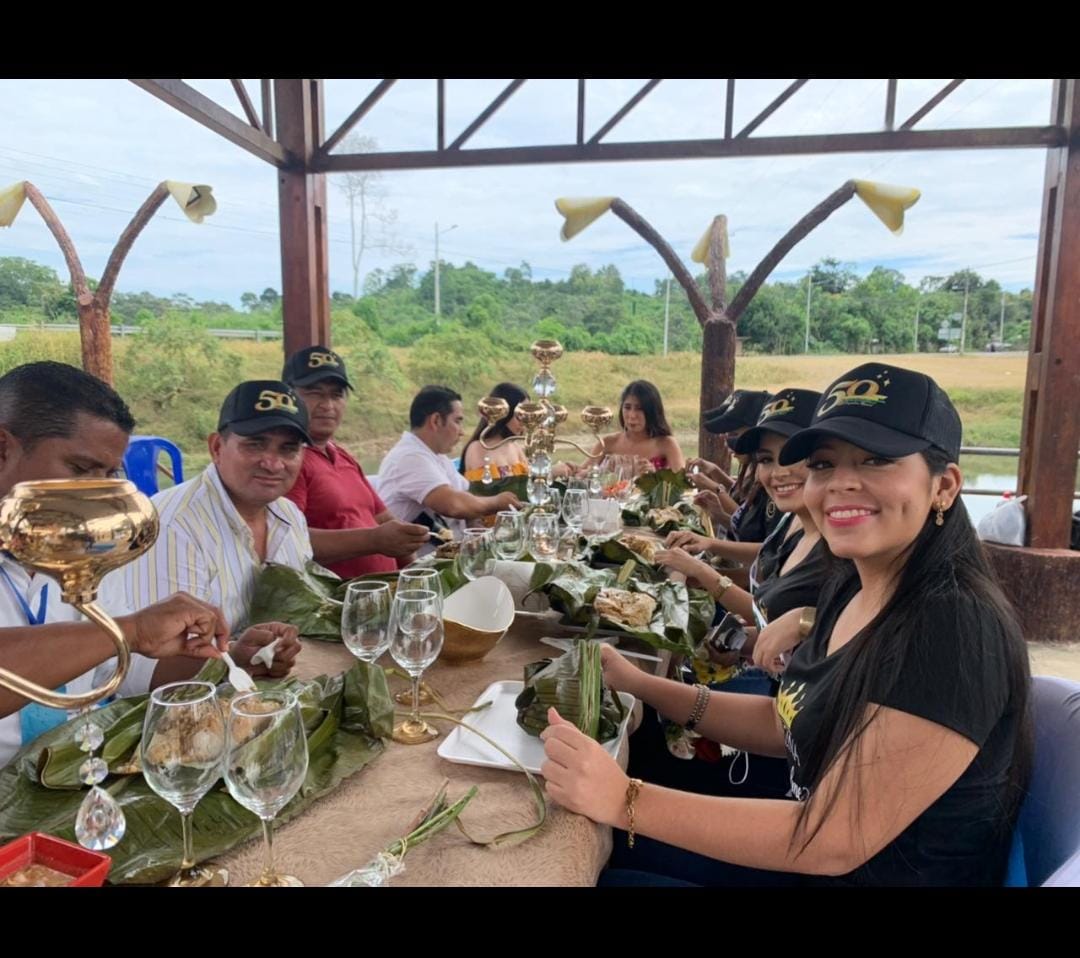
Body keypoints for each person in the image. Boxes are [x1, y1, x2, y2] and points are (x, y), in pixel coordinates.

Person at [543, 363, 1031, 886]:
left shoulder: (954, 627)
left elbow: (834, 839)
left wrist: (623, 798)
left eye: (876, 459)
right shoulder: (852, 584)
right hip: (802, 853)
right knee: (598, 839)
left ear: (945, 485)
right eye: (823, 464)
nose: (841, 482)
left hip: (836, 866)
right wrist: (639, 683)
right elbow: (784, 724)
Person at [0, 362, 254, 765]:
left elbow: (121, 673)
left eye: (109, 473)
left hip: (73, 775)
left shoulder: (86, 547)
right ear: (3, 450)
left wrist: (222, 656)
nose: (99, 492)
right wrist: (130, 630)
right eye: (80, 469)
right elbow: (119, 638)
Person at [283, 345, 428, 578]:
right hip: (338, 597)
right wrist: (373, 540)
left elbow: (384, 519)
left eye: (336, 395)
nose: (328, 405)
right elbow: (286, 540)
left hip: (388, 589)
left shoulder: (342, 456)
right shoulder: (286, 464)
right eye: (314, 393)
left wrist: (418, 575)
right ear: (289, 396)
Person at [377, 386, 521, 552]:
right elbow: (453, 505)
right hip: (419, 562)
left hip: (452, 553)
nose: (461, 432)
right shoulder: (409, 457)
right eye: (457, 421)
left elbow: (465, 498)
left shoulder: (437, 456)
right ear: (436, 421)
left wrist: (474, 523)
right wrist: (497, 502)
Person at [590, 380, 685, 473]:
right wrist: (603, 471)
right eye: (627, 407)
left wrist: (653, 476)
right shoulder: (607, 443)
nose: (632, 415)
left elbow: (681, 481)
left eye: (639, 409)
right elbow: (584, 473)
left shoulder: (667, 444)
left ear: (653, 411)